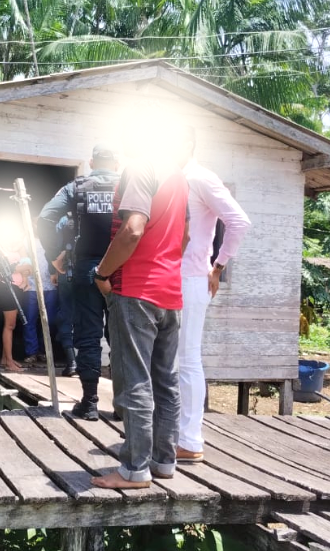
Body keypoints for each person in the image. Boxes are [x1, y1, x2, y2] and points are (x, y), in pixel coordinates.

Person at [89, 128, 192, 489]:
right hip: (170, 292)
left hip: (136, 290)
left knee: (135, 380)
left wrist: (103, 272)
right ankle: (164, 463)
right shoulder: (178, 177)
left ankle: (134, 469)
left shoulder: (140, 168)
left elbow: (132, 229)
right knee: (166, 380)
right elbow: (184, 237)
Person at [176, 153, 251, 462]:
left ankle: (190, 441)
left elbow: (239, 221)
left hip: (192, 278)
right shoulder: (175, 177)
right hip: (174, 278)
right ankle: (176, 435)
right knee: (170, 361)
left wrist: (218, 267)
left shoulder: (199, 177)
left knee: (188, 359)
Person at [38, 144, 122, 420]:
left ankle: (90, 403)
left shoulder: (77, 188)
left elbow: (45, 218)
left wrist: (54, 256)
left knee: (88, 335)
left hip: (87, 268)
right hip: (121, 270)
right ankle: (123, 405)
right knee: (122, 337)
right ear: (116, 164)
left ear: (91, 161)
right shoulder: (129, 185)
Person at [21, 237, 68, 364]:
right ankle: (31, 352)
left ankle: (44, 351)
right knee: (29, 320)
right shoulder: (25, 240)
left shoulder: (52, 238)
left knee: (50, 321)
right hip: (31, 286)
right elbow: (22, 259)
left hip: (50, 286)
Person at [0, 226, 31, 371]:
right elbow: (4, 269)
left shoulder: (20, 246)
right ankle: (9, 363)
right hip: (6, 287)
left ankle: (5, 359)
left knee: (12, 325)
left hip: (18, 286)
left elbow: (29, 265)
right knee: (10, 325)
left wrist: (20, 270)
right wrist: (19, 268)